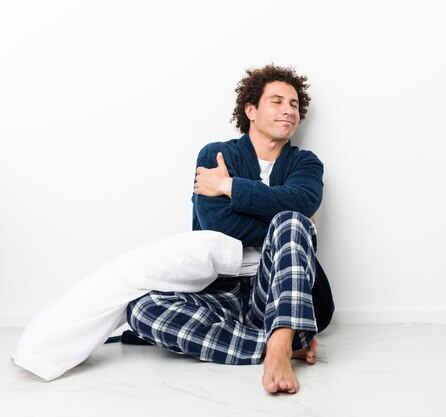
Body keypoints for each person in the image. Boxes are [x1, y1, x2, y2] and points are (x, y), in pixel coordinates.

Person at [125, 64, 334, 394]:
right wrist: (286, 219)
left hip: (278, 290)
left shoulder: (305, 163)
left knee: (290, 221)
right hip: (223, 291)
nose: (288, 110)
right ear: (251, 110)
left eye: (294, 104)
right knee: (142, 309)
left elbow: (302, 201)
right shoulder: (215, 154)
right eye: (277, 101)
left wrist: (230, 187)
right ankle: (274, 342)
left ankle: (279, 347)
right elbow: (218, 226)